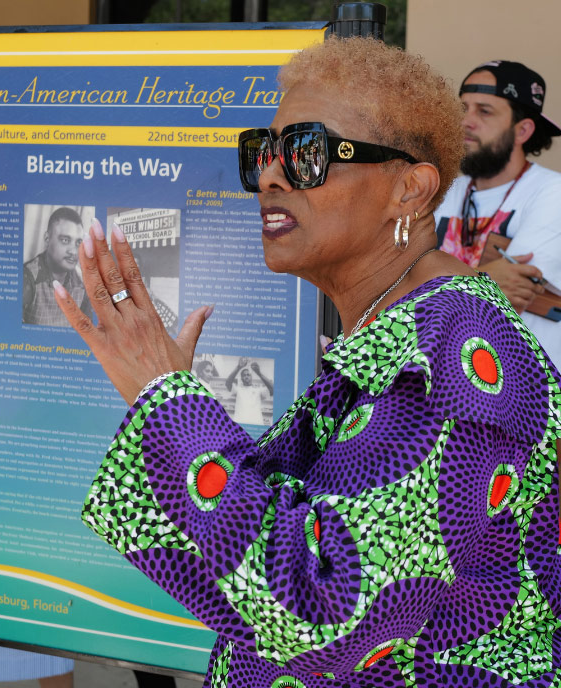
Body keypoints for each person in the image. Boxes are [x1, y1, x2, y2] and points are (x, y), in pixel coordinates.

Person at [53, 38, 559, 686]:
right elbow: (281, 521)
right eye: (263, 153)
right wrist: (163, 399)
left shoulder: (455, 350)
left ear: (410, 187)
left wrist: (168, 402)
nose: (270, 175)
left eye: (308, 152)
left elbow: (326, 609)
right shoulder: (398, 329)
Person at [435, 60, 561, 362]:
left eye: (484, 111)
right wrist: (484, 279)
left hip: (529, 394)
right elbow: (391, 281)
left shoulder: (553, 192)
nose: (466, 121)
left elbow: (507, 292)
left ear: (523, 130)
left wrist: (424, 287)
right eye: (462, 108)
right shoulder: (439, 191)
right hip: (449, 388)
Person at [22, 207, 92, 326]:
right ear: (47, 239)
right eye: (65, 240)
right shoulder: (27, 277)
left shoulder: (83, 283)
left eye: (78, 243)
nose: (74, 252)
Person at [224, 358, 272, 425]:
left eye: (248, 375)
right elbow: (228, 383)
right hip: (240, 423)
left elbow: (272, 389)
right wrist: (238, 367)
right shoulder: (238, 389)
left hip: (256, 423)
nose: (246, 376)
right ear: (241, 378)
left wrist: (259, 373)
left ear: (251, 377)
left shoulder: (258, 390)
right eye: (244, 375)